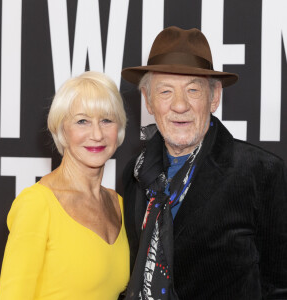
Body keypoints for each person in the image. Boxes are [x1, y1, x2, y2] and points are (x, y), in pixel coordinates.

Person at [121, 26, 287, 299]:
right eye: (165, 92)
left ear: (215, 96)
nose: (179, 105)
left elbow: (281, 286)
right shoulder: (136, 174)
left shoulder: (262, 173)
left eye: (193, 90)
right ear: (148, 101)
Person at [0, 71, 129, 300]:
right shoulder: (37, 204)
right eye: (82, 121)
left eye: (106, 120)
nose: (97, 134)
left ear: (118, 129)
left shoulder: (119, 204)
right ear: (61, 130)